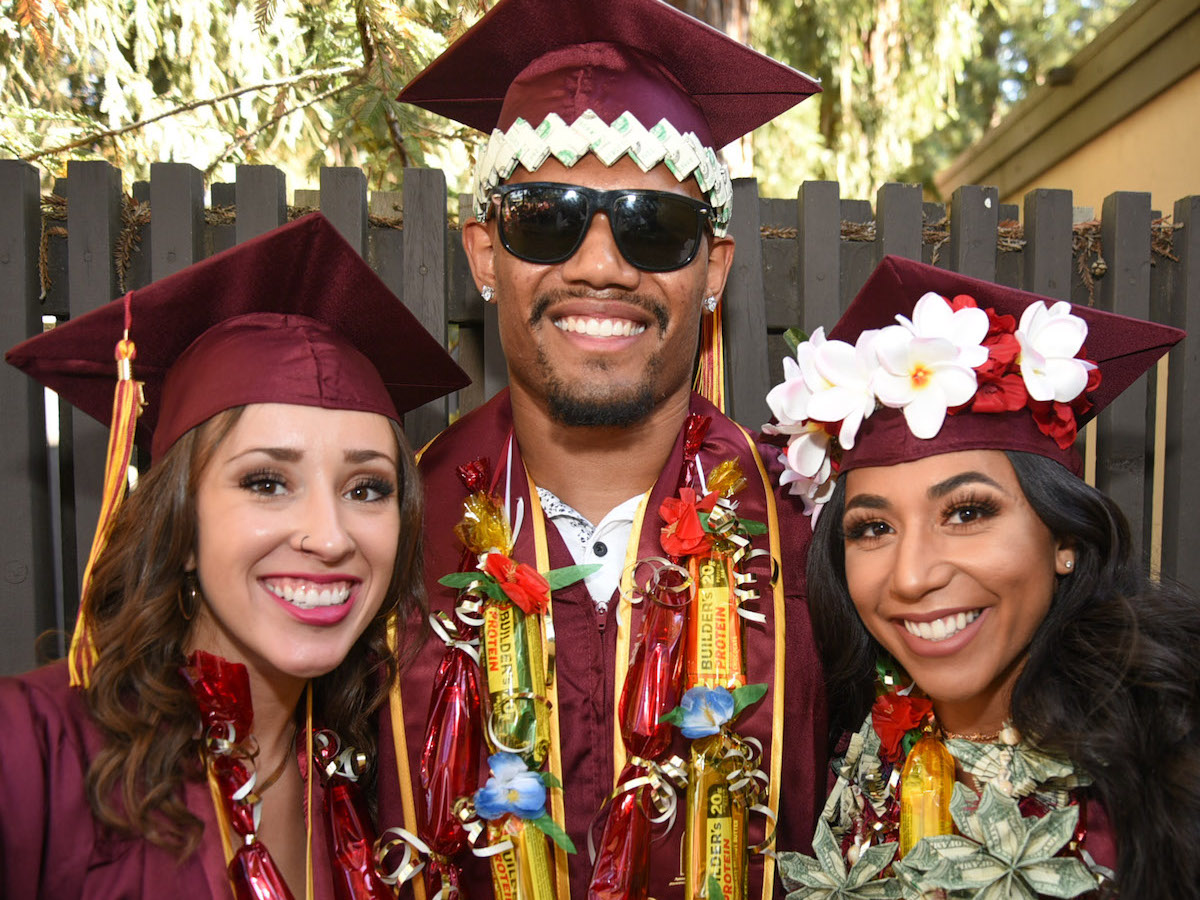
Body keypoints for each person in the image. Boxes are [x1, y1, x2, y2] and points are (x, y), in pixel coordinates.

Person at [374, 0, 828, 897]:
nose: (601, 265)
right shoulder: (382, 533)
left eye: (652, 226)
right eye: (545, 217)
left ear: (714, 269)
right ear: (484, 254)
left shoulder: (817, 536)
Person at [0, 213, 467, 899]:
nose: (330, 536)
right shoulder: (30, 754)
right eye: (266, 482)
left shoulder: (377, 782)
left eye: (366, 488)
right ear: (180, 525)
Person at [768, 255, 1200, 898]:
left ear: (1066, 539)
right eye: (873, 529)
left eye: (967, 512)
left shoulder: (1163, 767)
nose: (911, 577)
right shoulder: (858, 754)